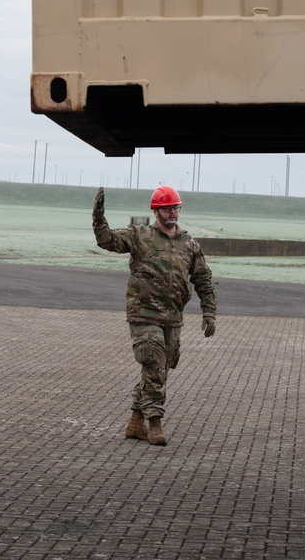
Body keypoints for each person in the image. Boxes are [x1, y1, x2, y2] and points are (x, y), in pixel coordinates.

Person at [92, 185, 217, 446]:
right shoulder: (140, 236)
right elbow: (108, 241)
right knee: (153, 364)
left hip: (172, 316)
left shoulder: (189, 243)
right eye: (167, 208)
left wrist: (209, 312)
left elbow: (203, 278)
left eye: (175, 207)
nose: (172, 212)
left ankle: (135, 422)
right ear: (156, 211)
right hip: (144, 313)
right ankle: (154, 423)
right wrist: (99, 215)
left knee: (160, 368)